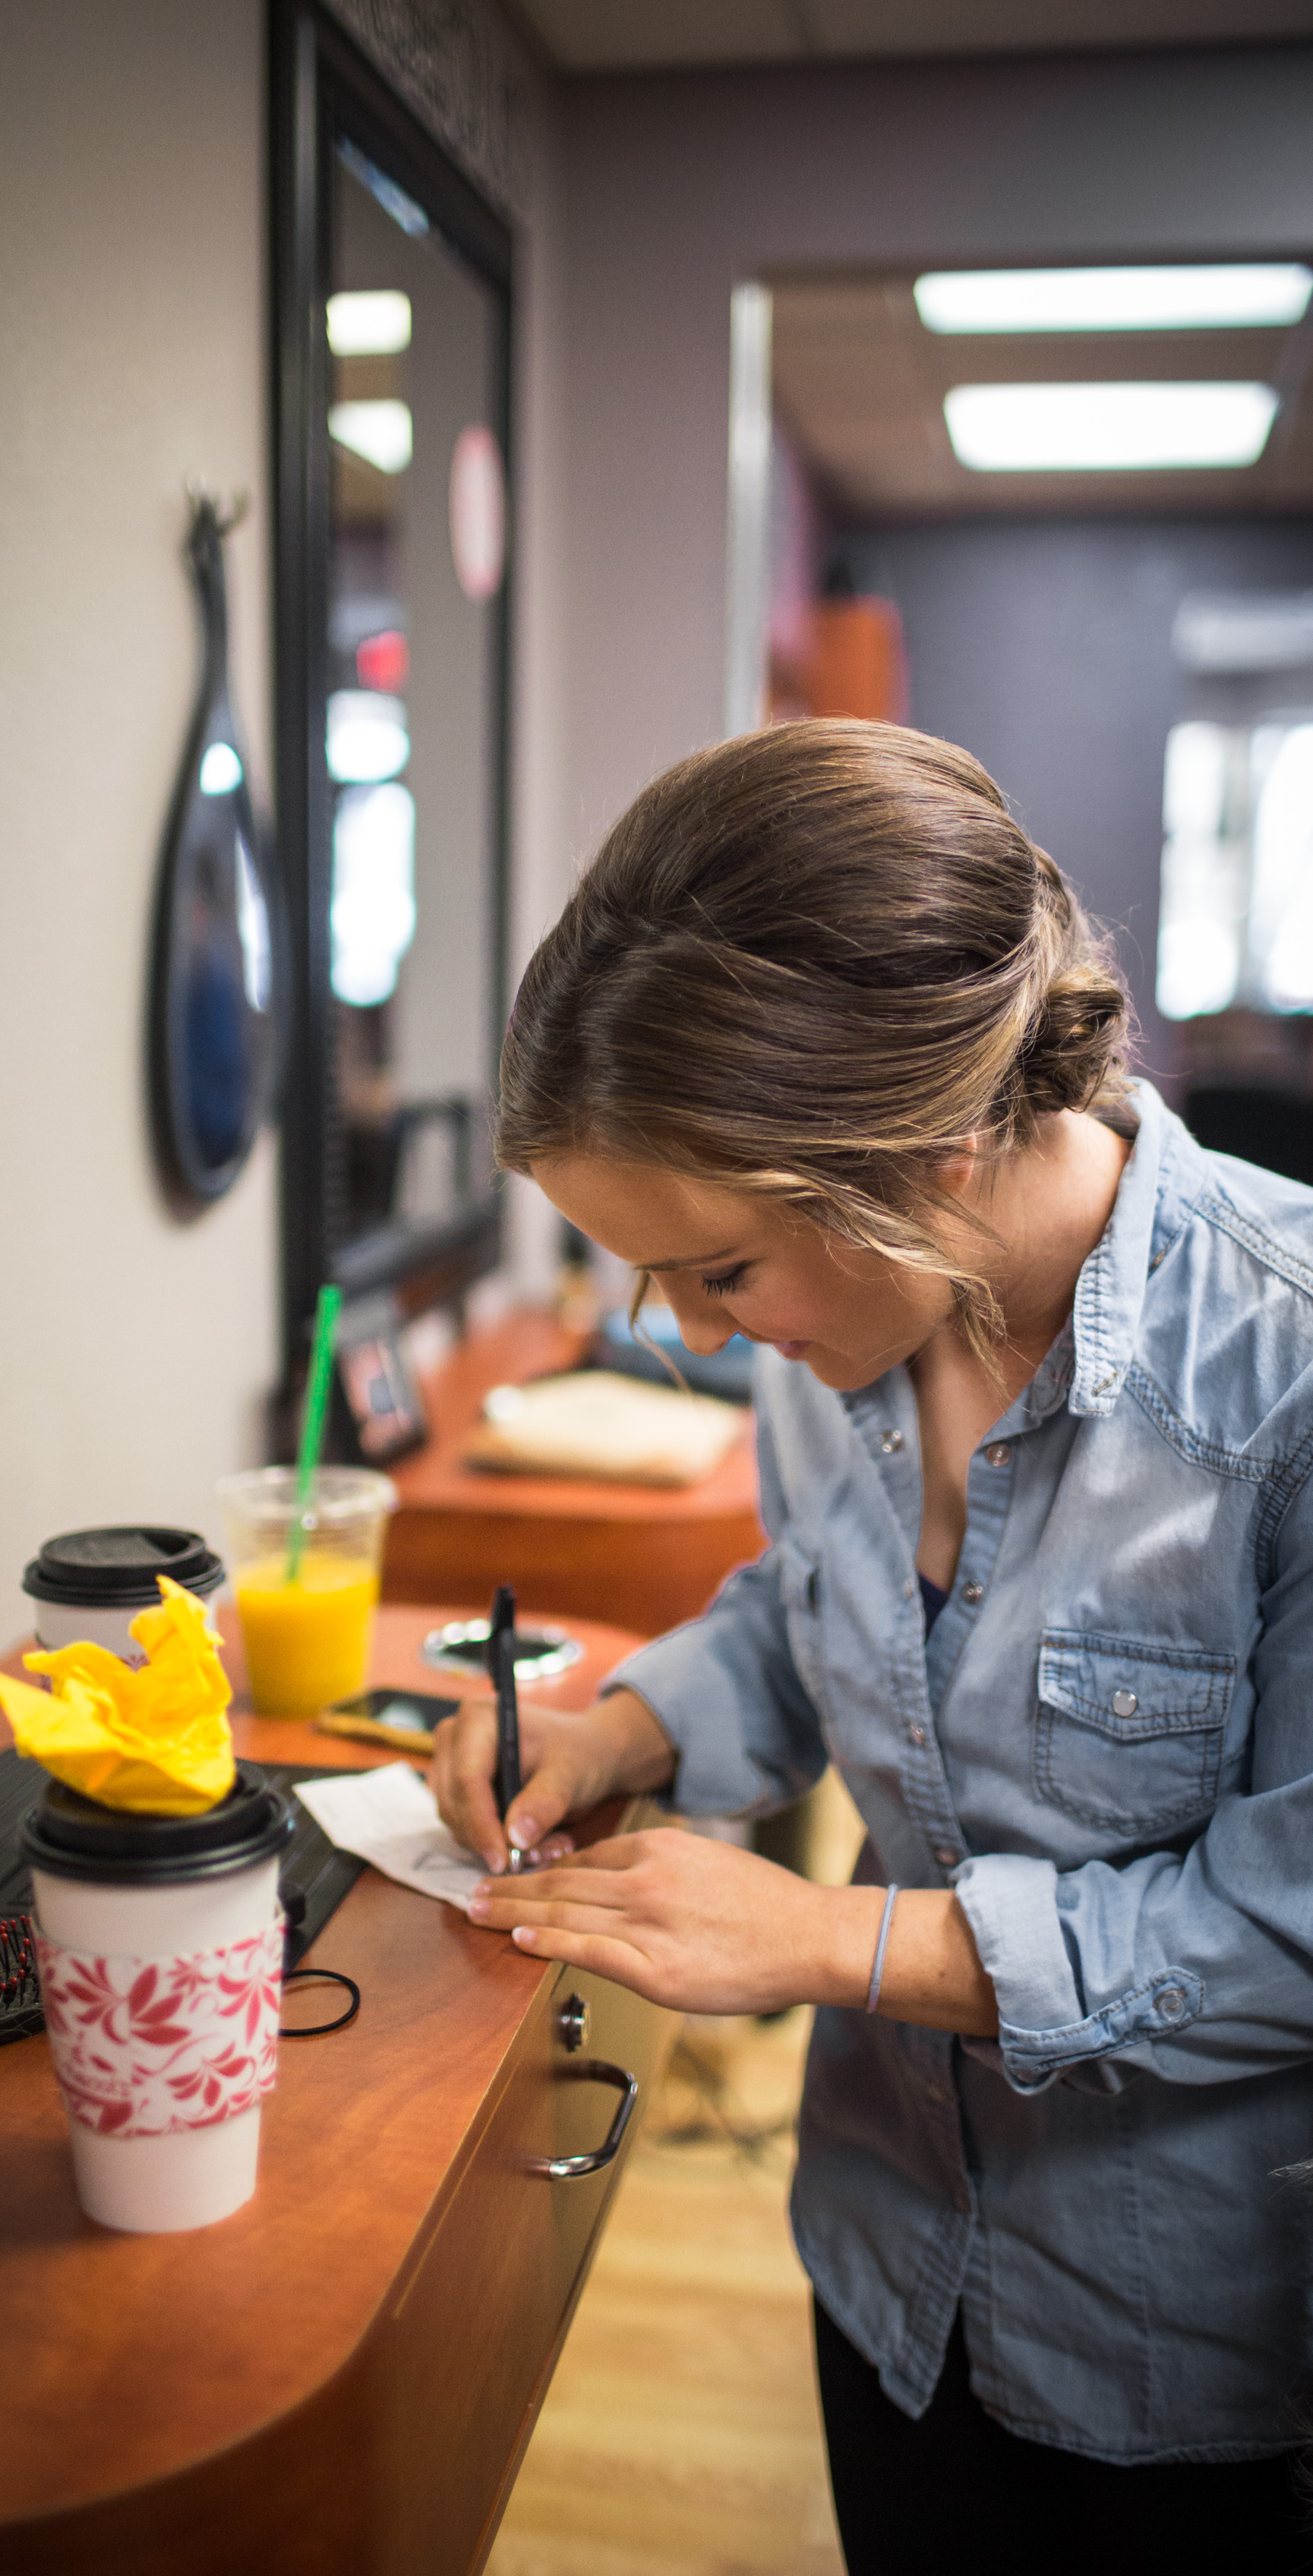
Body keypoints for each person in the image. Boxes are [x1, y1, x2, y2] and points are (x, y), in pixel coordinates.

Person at [431, 720, 1313, 2572]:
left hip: (1194, 2354)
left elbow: (1293, 1918)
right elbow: (810, 1613)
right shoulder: (837, 1345)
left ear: (924, 1151)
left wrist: (836, 1938)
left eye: (718, 1269)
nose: (680, 1330)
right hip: (888, 2263)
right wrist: (626, 1727)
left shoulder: (1288, 1384)